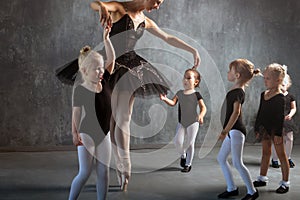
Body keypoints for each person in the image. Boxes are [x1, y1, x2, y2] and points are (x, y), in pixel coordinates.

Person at [89, 0, 201, 191]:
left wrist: (192, 49)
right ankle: (122, 166)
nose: (158, 5)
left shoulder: (145, 20)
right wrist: (101, 5)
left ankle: (125, 166)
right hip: (110, 64)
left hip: (131, 68)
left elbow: (167, 38)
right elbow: (94, 4)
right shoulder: (120, 8)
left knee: (122, 119)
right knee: (113, 122)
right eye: (157, 1)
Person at [69, 25, 115, 200]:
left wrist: (106, 38)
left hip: (104, 134)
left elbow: (112, 57)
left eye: (102, 67)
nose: (101, 71)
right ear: (85, 71)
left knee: (104, 172)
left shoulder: (107, 80)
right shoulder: (81, 90)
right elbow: (76, 113)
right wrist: (74, 133)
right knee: (85, 172)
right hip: (86, 134)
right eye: (97, 68)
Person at [217, 59, 259, 200]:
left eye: (230, 71)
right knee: (221, 158)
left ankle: (252, 192)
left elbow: (236, 113)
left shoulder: (238, 92)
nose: (228, 73)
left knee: (237, 162)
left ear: (237, 75)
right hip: (232, 131)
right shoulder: (236, 89)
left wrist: (225, 131)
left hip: (235, 131)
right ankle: (231, 188)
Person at [160, 68, 206, 173]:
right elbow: (172, 103)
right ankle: (183, 155)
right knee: (177, 141)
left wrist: (201, 115)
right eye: (184, 77)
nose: (185, 80)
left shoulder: (196, 95)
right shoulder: (180, 93)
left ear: (196, 82)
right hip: (182, 122)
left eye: (189, 78)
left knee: (190, 143)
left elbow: (203, 108)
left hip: (193, 122)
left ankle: (188, 164)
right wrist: (165, 99)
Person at [253, 63, 290, 194]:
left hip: (276, 130)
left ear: (278, 80)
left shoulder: (280, 98)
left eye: (268, 78)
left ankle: (285, 183)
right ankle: (262, 177)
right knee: (265, 153)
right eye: (265, 77)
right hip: (265, 129)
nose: (265, 80)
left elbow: (279, 117)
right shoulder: (264, 94)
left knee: (281, 155)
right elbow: (261, 112)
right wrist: (257, 128)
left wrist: (278, 134)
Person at [271, 70, 297, 168]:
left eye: (284, 84)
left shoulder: (290, 97)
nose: (282, 86)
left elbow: (293, 108)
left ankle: (288, 157)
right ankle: (275, 159)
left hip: (287, 120)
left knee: (289, 139)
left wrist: (290, 114)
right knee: (276, 140)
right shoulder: (274, 96)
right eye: (281, 84)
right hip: (276, 121)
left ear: (288, 84)